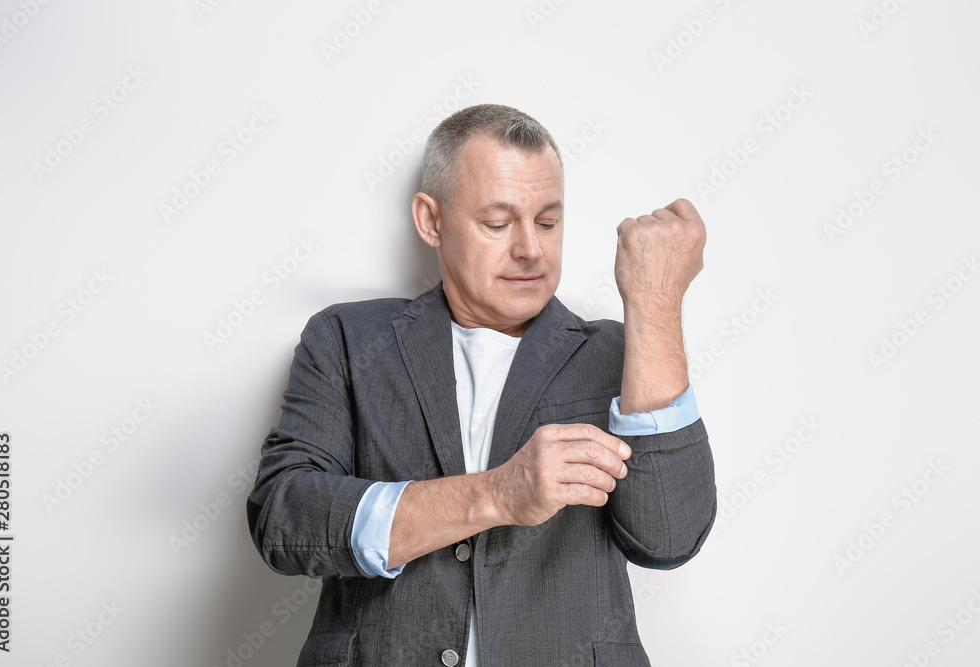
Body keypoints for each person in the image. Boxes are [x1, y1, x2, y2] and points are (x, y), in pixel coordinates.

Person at [247, 103, 717, 666]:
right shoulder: (348, 339)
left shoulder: (618, 353)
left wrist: (655, 303)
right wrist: (496, 493)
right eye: (497, 224)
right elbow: (284, 519)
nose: (531, 250)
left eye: (548, 221)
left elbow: (669, 538)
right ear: (432, 221)